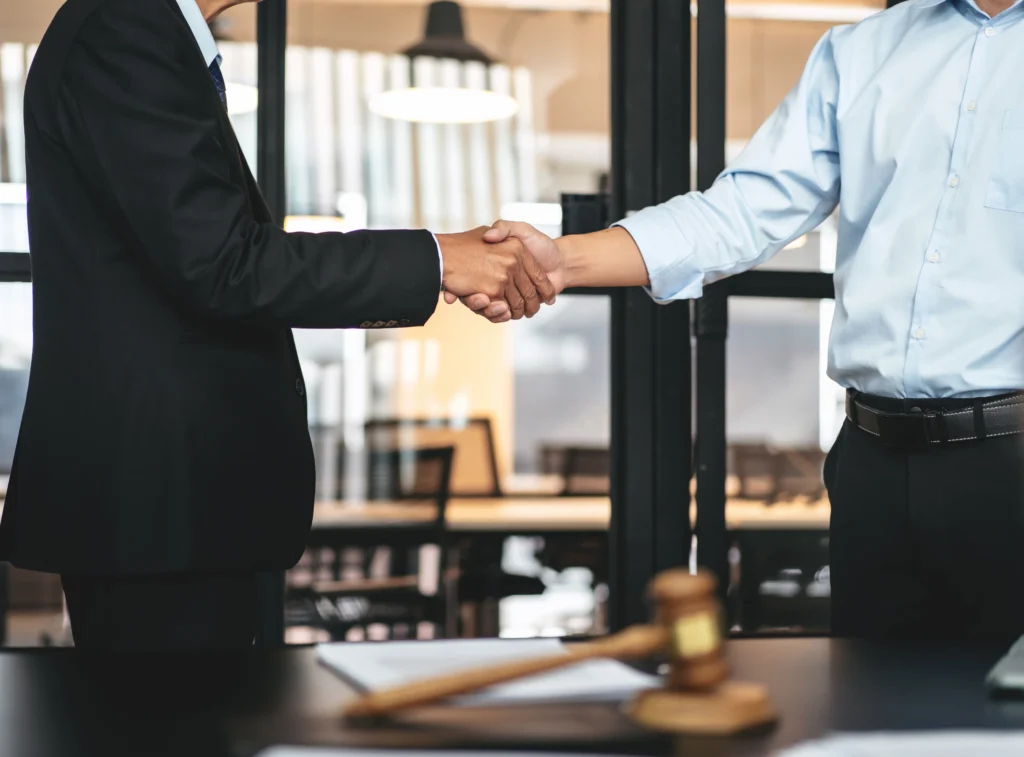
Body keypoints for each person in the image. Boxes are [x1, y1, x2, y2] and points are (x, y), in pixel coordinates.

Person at [0, 0, 552, 651]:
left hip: (181, 512)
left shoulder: (143, 34)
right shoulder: (126, 28)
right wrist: (435, 259)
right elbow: (226, 263)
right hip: (164, 517)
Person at [465, 0, 1024, 639]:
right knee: (872, 715)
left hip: (1012, 462)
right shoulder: (862, 52)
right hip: (873, 464)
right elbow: (743, 211)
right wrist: (562, 259)